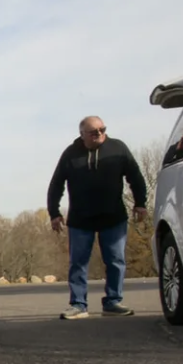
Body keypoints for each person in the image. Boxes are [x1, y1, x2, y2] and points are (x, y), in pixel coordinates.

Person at [47, 115, 148, 319]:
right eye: (94, 132)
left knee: (115, 260)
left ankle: (113, 301)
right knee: (78, 262)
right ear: (82, 135)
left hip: (113, 216)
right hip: (81, 218)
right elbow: (56, 183)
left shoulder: (118, 148)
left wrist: (140, 203)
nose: (100, 134)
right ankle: (78, 304)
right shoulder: (71, 154)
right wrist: (54, 213)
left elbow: (135, 176)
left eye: (102, 129)